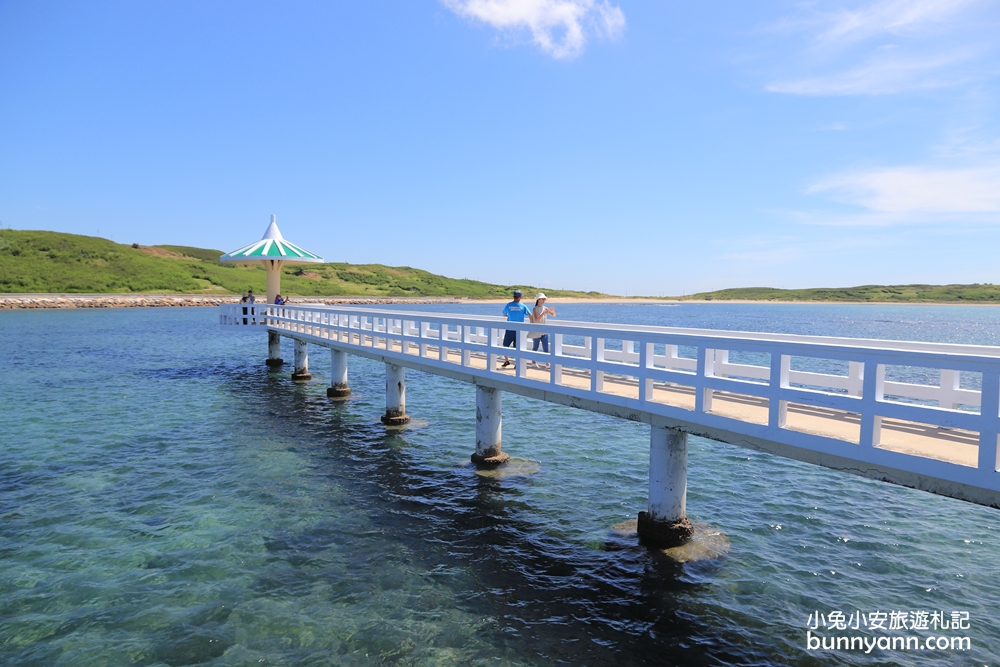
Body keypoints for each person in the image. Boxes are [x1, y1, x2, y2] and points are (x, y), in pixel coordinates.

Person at [500, 290, 532, 368]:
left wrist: (510, 316)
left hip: (510, 328)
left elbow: (504, 314)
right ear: (520, 297)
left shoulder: (509, 305)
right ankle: (517, 363)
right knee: (518, 347)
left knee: (505, 345)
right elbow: (530, 315)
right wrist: (531, 324)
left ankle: (507, 361)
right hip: (519, 329)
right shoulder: (523, 306)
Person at [527, 293, 556, 367]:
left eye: (544, 299)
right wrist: (543, 313)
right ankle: (533, 362)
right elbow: (537, 319)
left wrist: (552, 312)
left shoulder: (545, 308)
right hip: (536, 331)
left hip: (544, 330)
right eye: (542, 299)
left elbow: (553, 315)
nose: (544, 300)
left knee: (545, 347)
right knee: (535, 347)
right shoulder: (535, 309)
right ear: (538, 300)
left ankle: (547, 363)